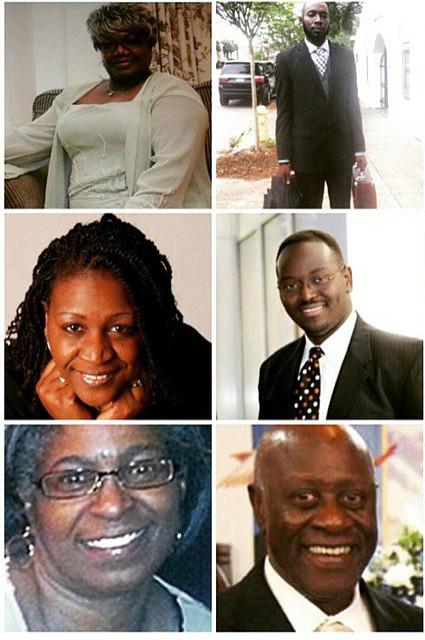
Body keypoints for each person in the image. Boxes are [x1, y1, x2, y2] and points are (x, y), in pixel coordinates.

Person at [4, 424, 211, 631]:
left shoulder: (206, 625)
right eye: (75, 479)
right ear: (27, 499)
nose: (113, 506)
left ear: (180, 486)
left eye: (142, 470)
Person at [217, 425, 423, 631]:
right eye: (305, 497)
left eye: (352, 498)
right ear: (259, 505)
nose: (334, 521)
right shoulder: (212, 624)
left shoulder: (418, 626)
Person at [5, 213, 211, 420]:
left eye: (119, 328)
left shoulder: (199, 371)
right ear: (47, 320)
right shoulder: (8, 389)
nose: (95, 354)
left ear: (146, 325)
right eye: (74, 327)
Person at [5, 3, 210, 208]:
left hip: (140, 220)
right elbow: (25, 141)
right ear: (99, 50)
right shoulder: (70, 98)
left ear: (150, 44)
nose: (120, 51)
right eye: (109, 44)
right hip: (75, 221)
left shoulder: (174, 95)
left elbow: (165, 184)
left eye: (131, 41)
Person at [258, 230, 423, 419]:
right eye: (291, 286)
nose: (307, 295)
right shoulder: (272, 370)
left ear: (347, 279)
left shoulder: (407, 360)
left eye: (318, 279)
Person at [275, 1, 367, 208]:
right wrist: (283, 159)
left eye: (324, 15)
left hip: (341, 153)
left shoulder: (345, 56)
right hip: (306, 155)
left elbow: (352, 102)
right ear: (302, 20)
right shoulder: (286, 59)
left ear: (329, 20)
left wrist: (360, 149)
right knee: (309, 211)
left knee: (342, 209)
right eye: (312, 14)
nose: (318, 19)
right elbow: (284, 112)